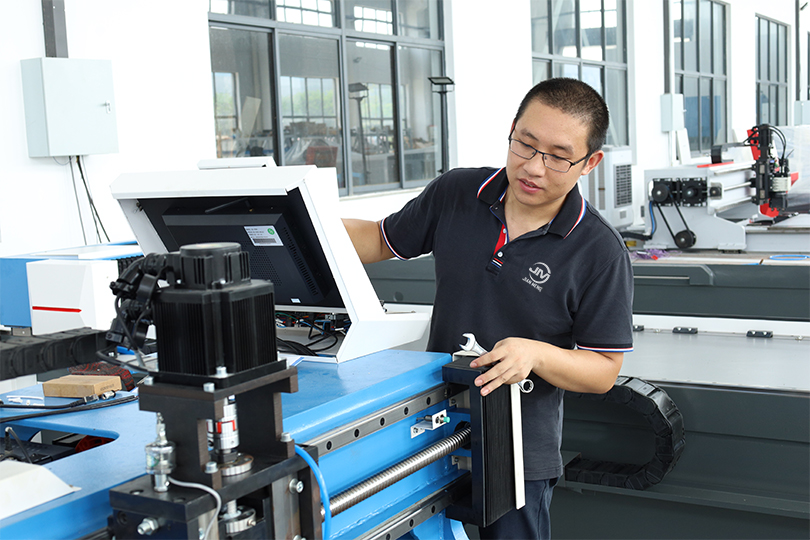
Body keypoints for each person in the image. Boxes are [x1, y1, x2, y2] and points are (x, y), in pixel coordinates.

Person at [342, 77, 634, 540]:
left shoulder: (599, 250)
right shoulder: (458, 192)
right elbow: (380, 239)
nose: (533, 167)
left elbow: (603, 370)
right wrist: (307, 223)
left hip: (518, 450)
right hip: (431, 428)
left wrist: (534, 353)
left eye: (558, 157)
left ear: (589, 163)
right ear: (512, 129)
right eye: (525, 144)